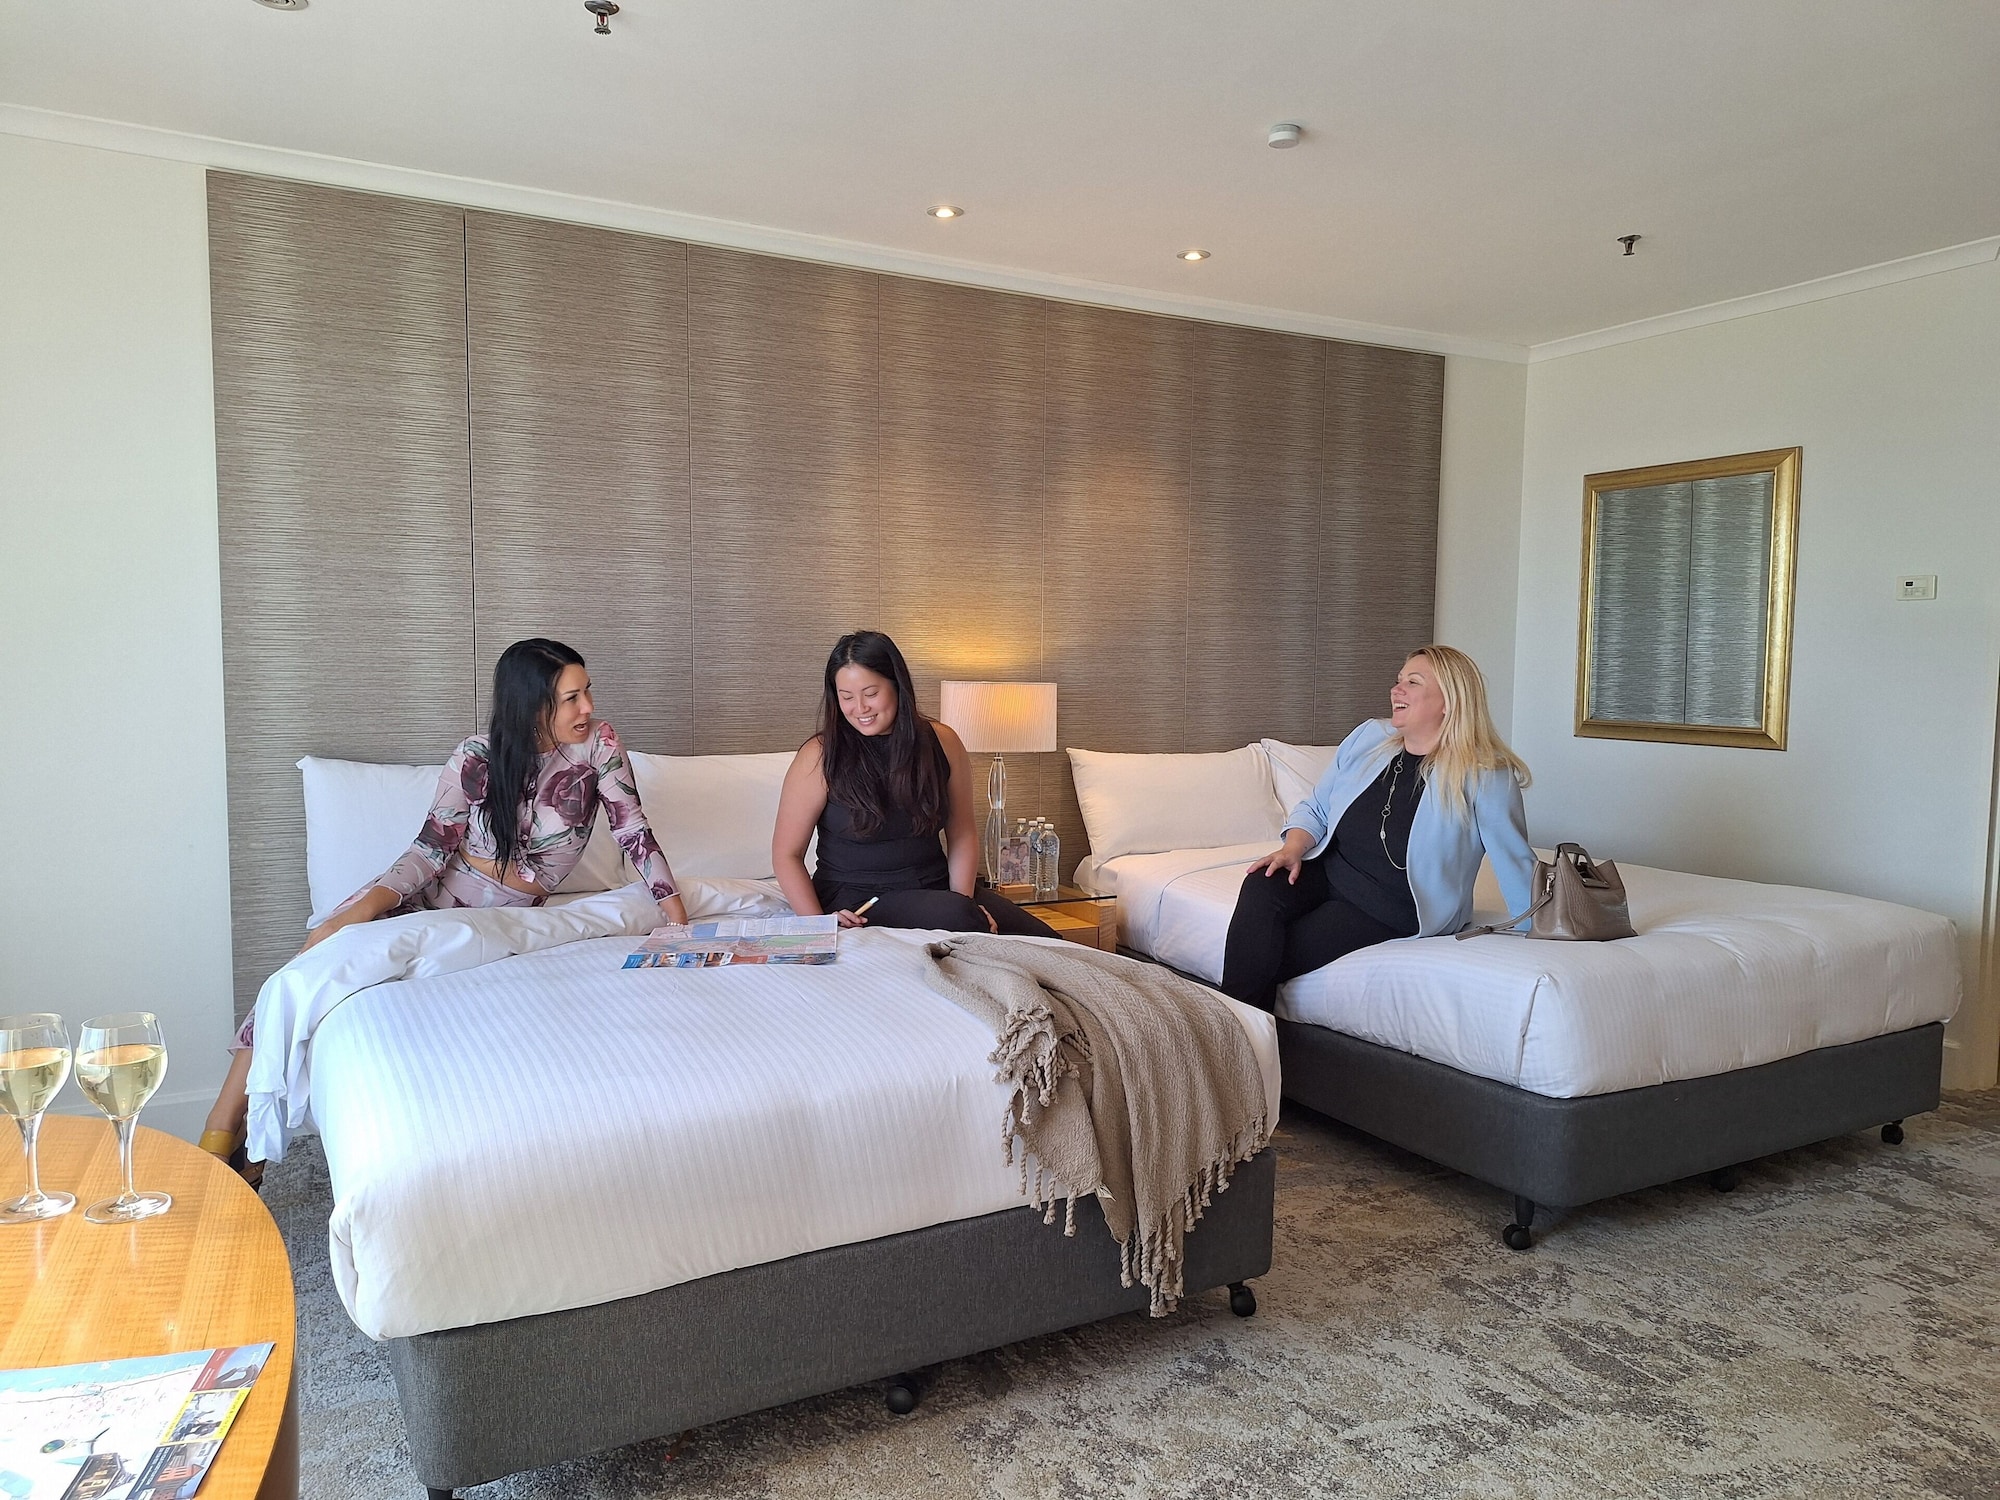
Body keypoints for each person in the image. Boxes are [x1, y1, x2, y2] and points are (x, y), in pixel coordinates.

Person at [198, 639, 687, 1180]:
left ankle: (245, 1150)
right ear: (531, 705)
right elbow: (428, 852)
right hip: (422, 894)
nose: (587, 707)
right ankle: (222, 1131)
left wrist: (677, 917)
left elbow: (632, 829)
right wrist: (349, 916)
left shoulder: (599, 746)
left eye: (586, 691)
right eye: (572, 698)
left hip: (494, 917)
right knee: (307, 967)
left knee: (326, 970)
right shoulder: (477, 757)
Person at [1219, 644, 1534, 1012]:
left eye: (1412, 682)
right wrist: (1292, 849)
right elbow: (1317, 807)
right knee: (1262, 882)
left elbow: (1513, 858)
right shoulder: (1369, 737)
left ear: (1449, 702)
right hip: (1330, 873)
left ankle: (1231, 1035)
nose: (1396, 690)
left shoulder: (1485, 775)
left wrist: (1535, 924)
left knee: (1268, 952)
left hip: (1389, 906)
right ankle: (1236, 1034)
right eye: (1398, 680)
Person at [773, 631, 1058, 938]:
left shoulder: (943, 741)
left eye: (871, 693)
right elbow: (787, 854)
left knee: (1049, 941)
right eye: (847, 697)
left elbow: (962, 833)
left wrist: (963, 901)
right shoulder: (819, 755)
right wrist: (818, 924)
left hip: (938, 890)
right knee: (960, 916)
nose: (860, 707)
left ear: (897, 685)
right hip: (858, 900)